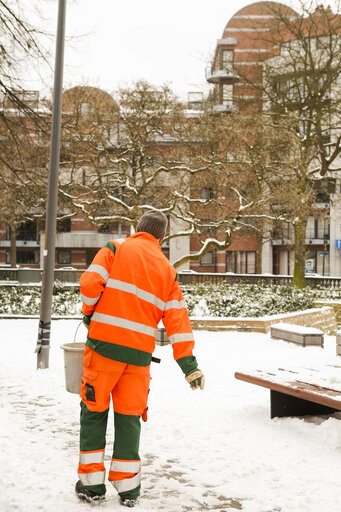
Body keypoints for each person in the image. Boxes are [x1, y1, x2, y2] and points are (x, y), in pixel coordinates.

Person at [75, 210, 204, 508]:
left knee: (94, 412)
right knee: (129, 418)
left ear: (137, 229)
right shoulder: (167, 270)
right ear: (161, 238)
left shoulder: (115, 248)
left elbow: (90, 283)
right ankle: (128, 488)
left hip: (103, 349)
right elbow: (178, 321)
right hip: (138, 359)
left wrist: (89, 313)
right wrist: (190, 367)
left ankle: (93, 487)